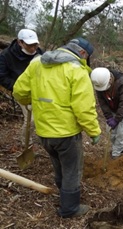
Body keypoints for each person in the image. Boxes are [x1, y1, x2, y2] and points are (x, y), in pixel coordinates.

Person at [12, 37, 101, 218]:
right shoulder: (76, 70)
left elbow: (19, 91)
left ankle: (64, 193)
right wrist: (94, 132)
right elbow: (83, 109)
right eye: (87, 57)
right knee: (72, 170)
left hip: (44, 131)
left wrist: (29, 101)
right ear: (82, 53)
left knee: (58, 164)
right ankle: (70, 208)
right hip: (66, 133)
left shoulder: (37, 63)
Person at [0, 28, 43, 147]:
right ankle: (26, 144)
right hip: (21, 91)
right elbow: (2, 76)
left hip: (39, 89)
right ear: (20, 42)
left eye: (35, 44)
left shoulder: (40, 53)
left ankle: (42, 137)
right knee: (31, 119)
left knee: (43, 115)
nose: (33, 48)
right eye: (30, 45)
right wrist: (18, 87)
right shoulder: (6, 55)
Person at [90, 67, 123, 159]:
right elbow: (102, 102)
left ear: (110, 79)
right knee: (111, 133)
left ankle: (116, 153)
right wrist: (109, 117)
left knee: (121, 133)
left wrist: (117, 119)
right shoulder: (99, 84)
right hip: (112, 111)